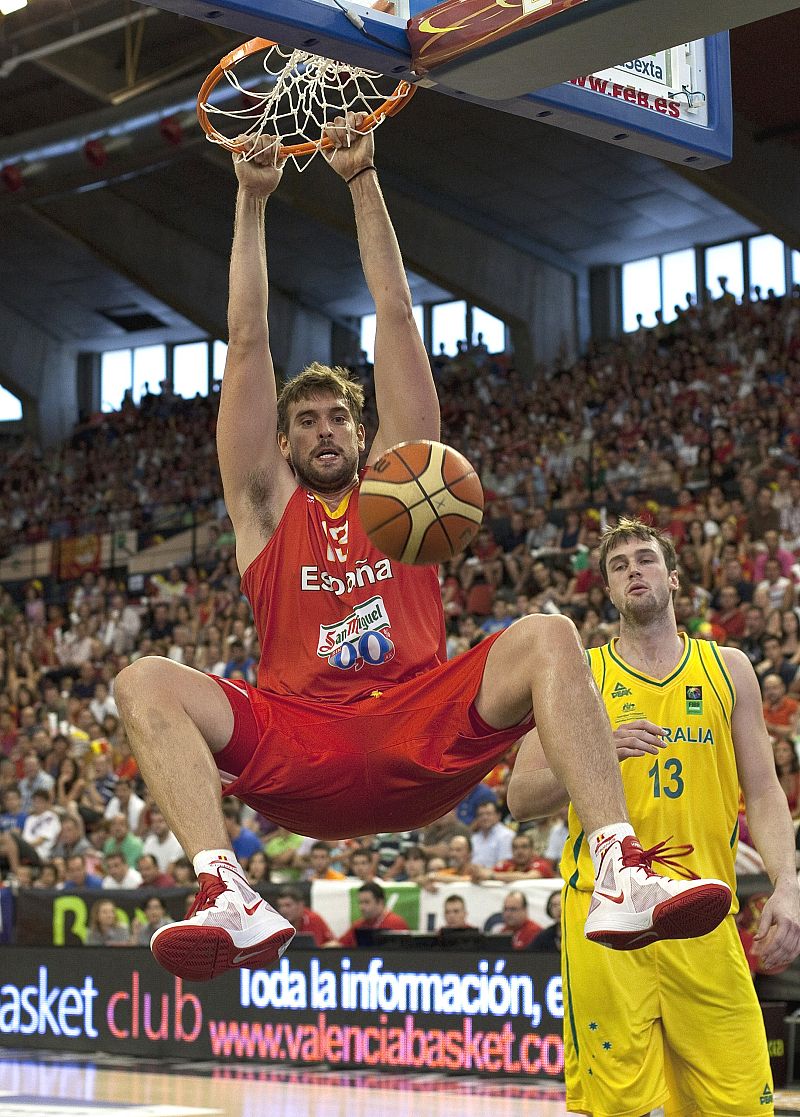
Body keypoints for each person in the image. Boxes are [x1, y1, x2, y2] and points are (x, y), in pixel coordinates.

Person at [114, 117, 729, 984]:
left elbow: (397, 317)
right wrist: (251, 201)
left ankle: (620, 870)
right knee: (141, 678)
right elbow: (247, 342)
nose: (325, 430)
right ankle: (225, 890)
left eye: (339, 417)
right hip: (303, 738)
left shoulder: (407, 486)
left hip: (419, 721)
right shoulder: (263, 507)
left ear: (363, 432)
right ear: (282, 446)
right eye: (306, 422)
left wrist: (362, 180)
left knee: (549, 633)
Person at [507, 518, 800, 1116]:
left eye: (645, 559)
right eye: (619, 566)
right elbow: (520, 797)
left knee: (742, 1105)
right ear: (608, 590)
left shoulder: (729, 668)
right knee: (619, 1109)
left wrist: (788, 885)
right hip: (607, 920)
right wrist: (596, 751)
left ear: (673, 577)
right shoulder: (578, 674)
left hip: (704, 912)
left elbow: (765, 791)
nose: (633, 571)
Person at [338, 882, 410, 947]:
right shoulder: (359, 925)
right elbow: (339, 945)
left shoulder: (396, 923)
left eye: (366, 902)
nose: (362, 907)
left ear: (380, 902)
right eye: (360, 902)